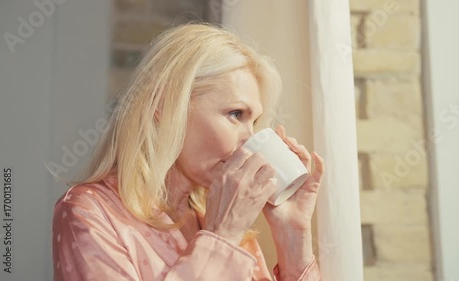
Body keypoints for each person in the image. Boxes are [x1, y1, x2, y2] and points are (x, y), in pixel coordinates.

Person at [52, 23, 325, 281]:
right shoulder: (90, 212)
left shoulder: (220, 214)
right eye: (235, 114)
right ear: (165, 106)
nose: (249, 140)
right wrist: (223, 236)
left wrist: (293, 236)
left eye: (253, 122)